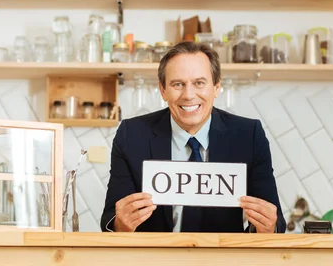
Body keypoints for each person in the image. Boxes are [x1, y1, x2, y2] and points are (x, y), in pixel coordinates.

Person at [101, 41, 286, 233]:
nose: (188, 95)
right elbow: (109, 221)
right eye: (177, 84)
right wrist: (120, 224)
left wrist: (267, 227)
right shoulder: (131, 135)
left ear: (216, 87)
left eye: (199, 83)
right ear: (163, 90)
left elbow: (276, 222)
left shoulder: (249, 135)